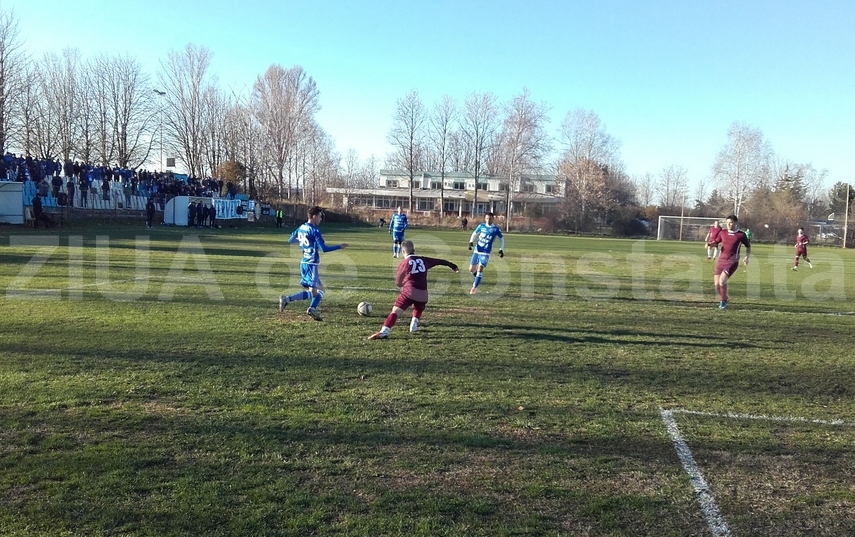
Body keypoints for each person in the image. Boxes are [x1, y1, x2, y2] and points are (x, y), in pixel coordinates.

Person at [368, 240, 459, 339]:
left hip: (410, 292)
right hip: (423, 294)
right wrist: (452, 266)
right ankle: (413, 326)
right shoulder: (424, 260)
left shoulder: (404, 263)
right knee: (419, 307)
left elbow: (398, 282)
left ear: (402, 251)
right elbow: (440, 261)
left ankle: (384, 331)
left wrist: (404, 284)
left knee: (395, 311)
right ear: (414, 250)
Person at [279, 206, 349, 321]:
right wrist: (339, 246)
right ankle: (311, 308)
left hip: (304, 263)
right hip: (312, 264)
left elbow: (290, 240)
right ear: (314, 216)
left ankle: (287, 300)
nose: (321, 219)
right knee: (320, 291)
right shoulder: (315, 230)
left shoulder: (301, 227)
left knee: (314, 291)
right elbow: (324, 249)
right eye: (320, 217)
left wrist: (303, 244)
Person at [713, 214, 751, 310]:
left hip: (732, 260)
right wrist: (710, 244)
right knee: (716, 284)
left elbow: (748, 246)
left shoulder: (741, 235)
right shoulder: (722, 233)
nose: (729, 224)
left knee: (722, 281)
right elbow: (716, 242)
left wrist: (747, 257)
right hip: (721, 260)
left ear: (736, 223)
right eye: (728, 223)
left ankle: (723, 302)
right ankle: (725, 297)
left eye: (731, 223)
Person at [467, 212, 504, 294]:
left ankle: (474, 287)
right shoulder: (481, 226)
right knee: (471, 269)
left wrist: (501, 249)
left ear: (493, 219)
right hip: (477, 250)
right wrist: (471, 242)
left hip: (486, 252)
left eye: (490, 218)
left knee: (480, 268)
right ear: (485, 218)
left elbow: (502, 239)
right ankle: (478, 277)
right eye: (487, 218)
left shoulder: (495, 229)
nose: (488, 220)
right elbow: (474, 234)